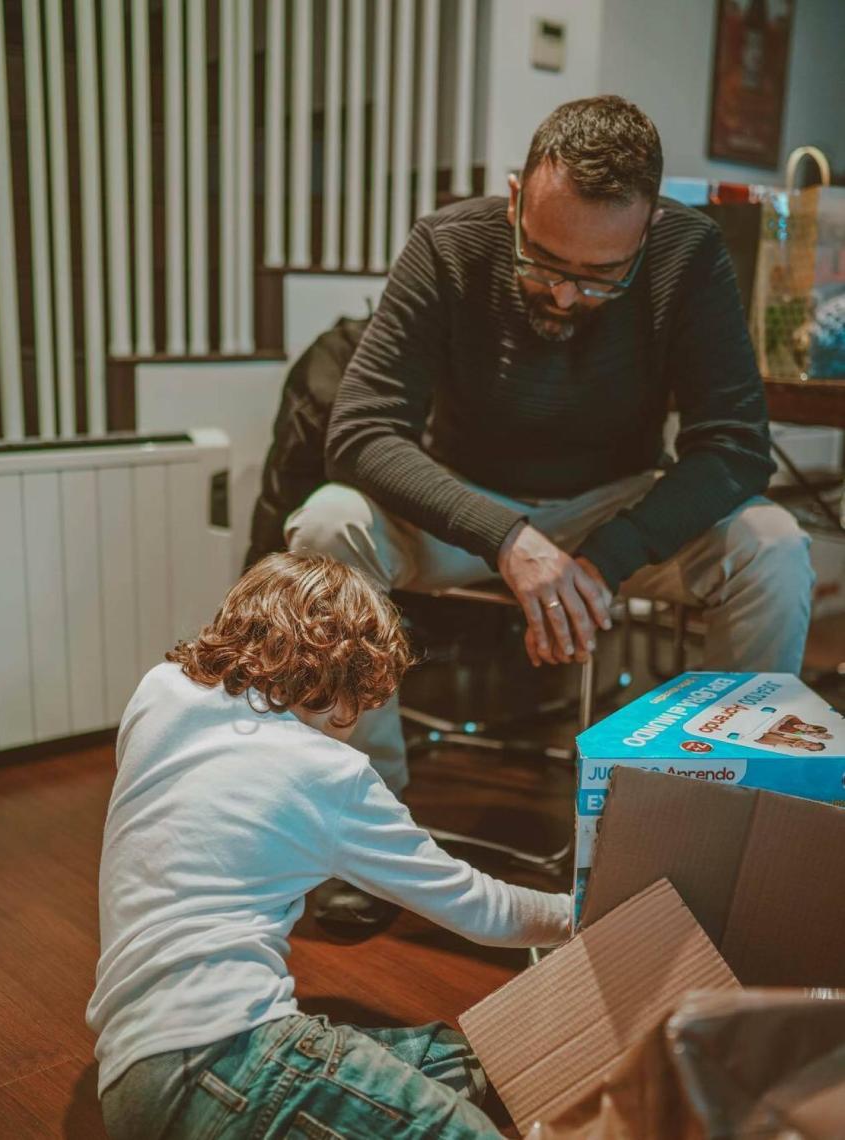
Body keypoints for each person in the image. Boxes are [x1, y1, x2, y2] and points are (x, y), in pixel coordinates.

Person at [285, 94, 813, 927]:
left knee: (773, 546)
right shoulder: (449, 243)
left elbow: (735, 447)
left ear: (643, 232)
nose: (564, 297)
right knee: (325, 525)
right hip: (467, 508)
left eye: (600, 278)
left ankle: (714, 839)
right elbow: (360, 432)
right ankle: (369, 830)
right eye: (543, 263)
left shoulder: (688, 253)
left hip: (614, 503)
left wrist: (607, 555)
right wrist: (507, 538)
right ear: (514, 198)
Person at [86, 552, 569, 1140]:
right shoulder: (326, 773)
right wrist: (583, 913)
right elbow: (483, 911)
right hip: (227, 1058)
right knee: (465, 1130)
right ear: (351, 675)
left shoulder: (160, 692)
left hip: (127, 1074)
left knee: (457, 1058)